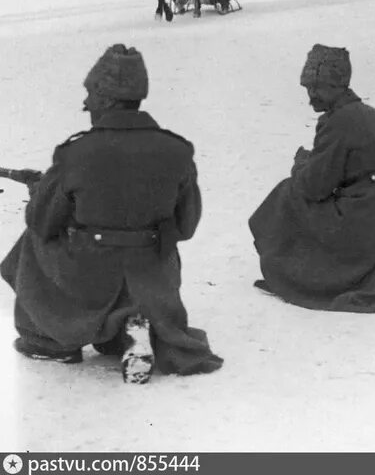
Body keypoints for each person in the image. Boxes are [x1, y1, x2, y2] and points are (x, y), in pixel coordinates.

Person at [0, 44, 223, 383]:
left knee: (32, 241)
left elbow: (43, 222)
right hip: (152, 274)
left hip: (90, 272)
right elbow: (186, 224)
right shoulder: (177, 150)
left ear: (107, 99)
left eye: (90, 94)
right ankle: (131, 329)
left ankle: (51, 339)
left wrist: (41, 193)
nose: (85, 103)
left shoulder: (75, 153)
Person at [249, 45, 375, 313]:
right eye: (308, 88)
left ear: (337, 85)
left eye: (317, 88)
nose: (311, 96)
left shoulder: (338, 121)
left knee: (287, 194)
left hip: (366, 219)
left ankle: (289, 275)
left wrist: (301, 166)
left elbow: (313, 188)